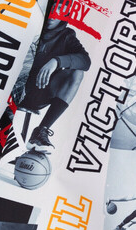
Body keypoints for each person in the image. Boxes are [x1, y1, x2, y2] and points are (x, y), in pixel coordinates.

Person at [18, 16, 90, 151]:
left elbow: (85, 61)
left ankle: (41, 131)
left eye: (59, 8)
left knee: (77, 72)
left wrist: (57, 61)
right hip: (5, 85)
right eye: (52, 7)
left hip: (36, 92)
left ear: (65, 13)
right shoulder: (24, 20)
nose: (53, 14)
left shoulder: (66, 36)